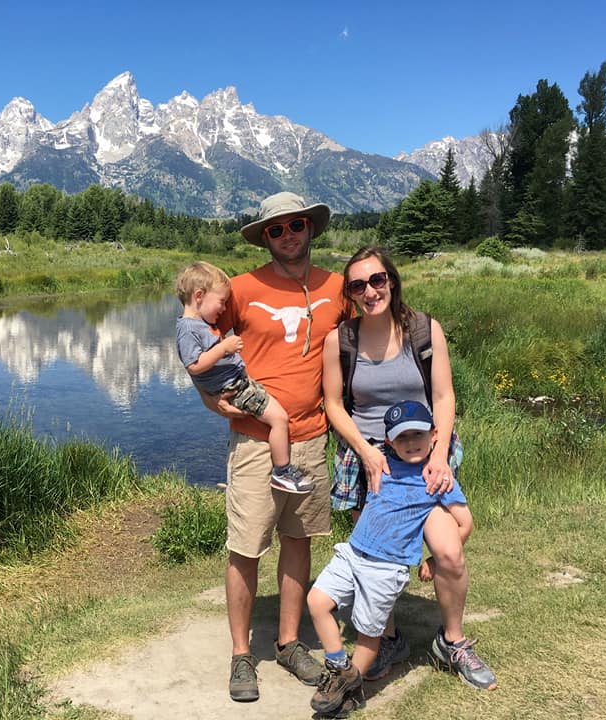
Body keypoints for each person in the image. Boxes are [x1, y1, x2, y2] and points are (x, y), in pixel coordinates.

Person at [194, 192, 348, 702]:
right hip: (257, 442)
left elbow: (367, 333)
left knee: (299, 541)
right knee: (245, 546)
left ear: (311, 228)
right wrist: (212, 402)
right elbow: (196, 345)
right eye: (275, 230)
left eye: (296, 225)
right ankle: (242, 654)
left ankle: (287, 643)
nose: (287, 236)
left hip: (312, 437)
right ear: (264, 236)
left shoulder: (336, 286)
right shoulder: (238, 288)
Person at [322, 245, 497, 690]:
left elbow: (443, 397)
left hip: (422, 454)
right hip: (370, 460)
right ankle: (390, 638)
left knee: (449, 552)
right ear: (351, 292)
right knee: (375, 560)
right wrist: (366, 451)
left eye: (377, 280)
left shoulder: (423, 329)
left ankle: (452, 641)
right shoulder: (340, 339)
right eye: (358, 285)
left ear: (392, 280)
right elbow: (334, 405)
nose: (370, 291)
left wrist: (439, 455)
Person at [307, 400, 473, 716]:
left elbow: (465, 523)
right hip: (353, 552)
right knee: (317, 601)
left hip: (386, 567)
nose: (410, 443)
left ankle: (350, 687)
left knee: (370, 633)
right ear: (388, 441)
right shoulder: (380, 464)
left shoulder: (437, 477)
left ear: (435, 435)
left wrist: (434, 561)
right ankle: (340, 667)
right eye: (402, 437)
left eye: (418, 435)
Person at [175, 261, 314, 494]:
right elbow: (194, 365)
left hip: (238, 383)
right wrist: (224, 348)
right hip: (237, 388)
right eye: (221, 302)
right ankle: (282, 470)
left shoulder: (198, 324)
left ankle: (282, 470)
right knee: (279, 418)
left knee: (277, 416)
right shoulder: (188, 329)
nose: (224, 308)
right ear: (199, 296)